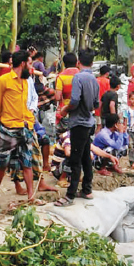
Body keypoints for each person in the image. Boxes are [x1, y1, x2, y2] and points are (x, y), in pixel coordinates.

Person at [0, 49, 42, 206]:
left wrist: (28, 121)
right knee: (2, 162)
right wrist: (4, 123)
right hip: (9, 127)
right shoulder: (2, 81)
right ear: (23, 63)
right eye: (30, 63)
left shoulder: (26, 82)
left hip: (25, 126)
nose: (32, 67)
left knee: (27, 162)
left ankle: (31, 196)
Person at [55, 50, 98, 206]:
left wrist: (66, 109)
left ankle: (70, 195)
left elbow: (74, 99)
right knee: (86, 156)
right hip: (89, 122)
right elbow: (96, 103)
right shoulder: (94, 79)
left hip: (78, 122)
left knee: (75, 158)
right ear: (92, 63)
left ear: (79, 62)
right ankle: (87, 189)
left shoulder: (78, 78)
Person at [54, 52, 79, 131]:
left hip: (65, 111)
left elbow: (58, 97)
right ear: (76, 62)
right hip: (81, 111)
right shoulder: (82, 75)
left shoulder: (61, 76)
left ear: (64, 64)